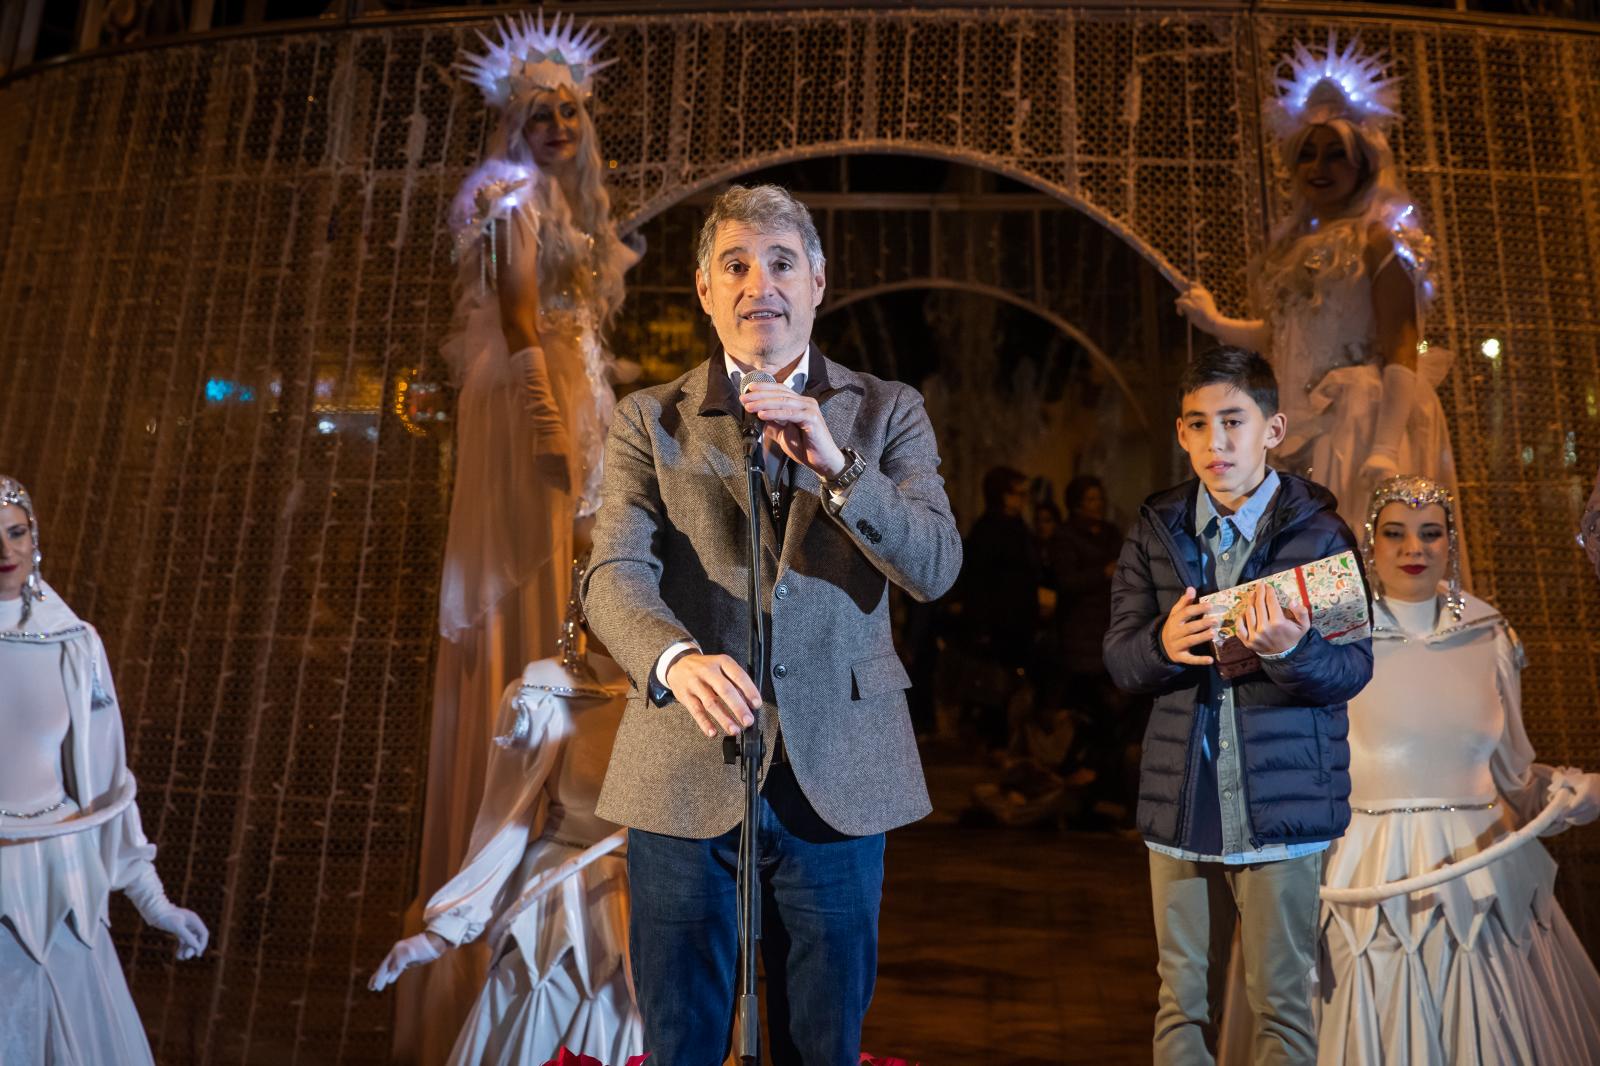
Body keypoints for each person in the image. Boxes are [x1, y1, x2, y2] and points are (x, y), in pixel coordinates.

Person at [581, 183, 961, 1063]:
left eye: (782, 262)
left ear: (819, 281)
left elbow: (935, 568)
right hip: (683, 769)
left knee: (821, 1043)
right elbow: (613, 575)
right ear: (706, 290)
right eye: (737, 265)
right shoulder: (650, 418)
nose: (763, 285)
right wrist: (675, 659)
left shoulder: (885, 410)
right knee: (681, 1038)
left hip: (840, 770)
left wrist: (838, 468)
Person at [408, 13, 639, 1061]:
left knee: (573, 607)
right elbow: (512, 319)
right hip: (525, 421)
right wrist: (553, 423)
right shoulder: (508, 202)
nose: (556, 122)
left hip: (567, 414)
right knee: (533, 607)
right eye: (538, 110)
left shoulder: (572, 210)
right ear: (513, 121)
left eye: (570, 109)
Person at [1102, 346, 1372, 1065]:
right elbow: (1120, 659)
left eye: (1233, 421)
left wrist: (1289, 649)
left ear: (1272, 428)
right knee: (1179, 1002)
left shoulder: (1320, 532)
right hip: (1180, 800)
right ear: (1181, 434)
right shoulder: (1157, 528)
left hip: (1282, 805)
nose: (1215, 443)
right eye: (1197, 425)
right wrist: (1162, 645)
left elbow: (1352, 667)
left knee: (1282, 1007)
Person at [1311, 474, 1600, 1064]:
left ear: (1451, 544)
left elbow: (1515, 773)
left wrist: (1567, 792)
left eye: (1430, 534)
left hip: (1482, 867)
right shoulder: (1333, 632)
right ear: (1370, 544)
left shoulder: (1488, 633)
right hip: (1366, 867)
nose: (1414, 550)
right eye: (1395, 534)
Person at [1176, 33, 1459, 540]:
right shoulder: (1294, 246)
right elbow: (1284, 339)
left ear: (1363, 163)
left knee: (1351, 556)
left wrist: (1385, 447)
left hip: (1357, 424)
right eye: (1309, 154)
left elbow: (1401, 345)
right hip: (1296, 426)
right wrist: (1216, 323)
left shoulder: (1380, 240)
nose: (1319, 168)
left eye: (1335, 155)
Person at [371, 566, 643, 1065]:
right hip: (560, 905)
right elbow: (506, 822)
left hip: (656, 911)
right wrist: (442, 932)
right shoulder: (548, 694)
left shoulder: (694, 700)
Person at [0, 475, 209, 1064]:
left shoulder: (75, 644)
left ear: (33, 538)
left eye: (16, 533)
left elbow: (108, 787)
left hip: (58, 881)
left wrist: (154, 901)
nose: (5, 552)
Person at [954, 466, 1041, 749]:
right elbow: (979, 584)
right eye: (1017, 494)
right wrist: (981, 627)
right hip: (998, 624)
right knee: (994, 689)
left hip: (1019, 622)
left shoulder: (1019, 528)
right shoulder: (988, 531)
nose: (1023, 501)